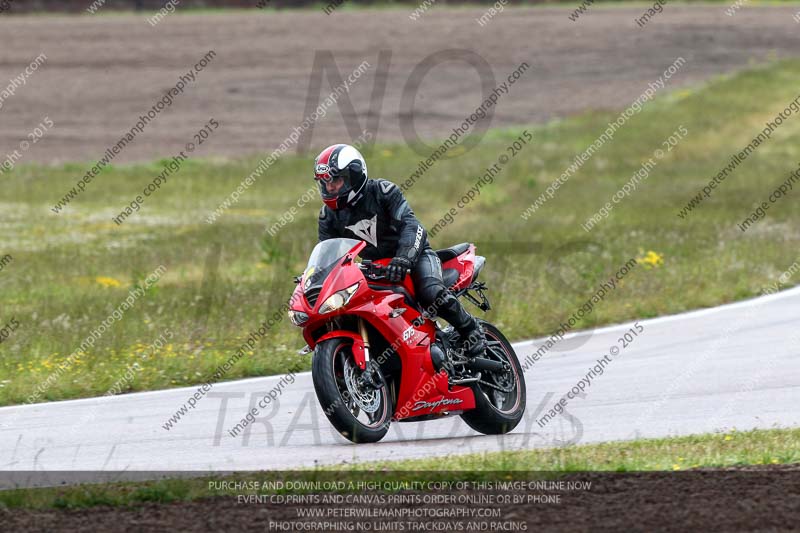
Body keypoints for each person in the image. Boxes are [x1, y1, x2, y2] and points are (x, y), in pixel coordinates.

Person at [314, 143, 486, 359]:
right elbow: (329, 255)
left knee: (430, 292)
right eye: (325, 183)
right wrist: (316, 278)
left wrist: (404, 258)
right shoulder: (327, 216)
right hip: (375, 268)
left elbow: (412, 226)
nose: (330, 189)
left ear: (354, 175)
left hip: (415, 256)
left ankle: (472, 331)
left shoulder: (383, 192)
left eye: (335, 181)